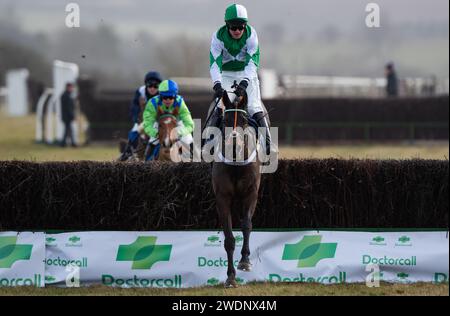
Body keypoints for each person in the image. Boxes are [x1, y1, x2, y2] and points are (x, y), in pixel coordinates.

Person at [207, 3, 273, 155]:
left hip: (247, 75)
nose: (237, 30)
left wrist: (244, 83)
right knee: (221, 107)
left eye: (241, 27)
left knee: (254, 107)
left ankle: (268, 145)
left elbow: (252, 62)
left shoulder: (251, 34)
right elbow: (215, 64)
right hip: (227, 76)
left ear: (245, 25)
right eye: (233, 27)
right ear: (227, 25)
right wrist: (217, 84)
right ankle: (208, 144)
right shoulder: (218, 37)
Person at [143, 79, 195, 160]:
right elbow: (147, 124)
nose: (168, 100)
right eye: (165, 97)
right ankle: (146, 162)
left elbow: (190, 124)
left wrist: (179, 132)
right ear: (160, 96)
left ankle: (196, 161)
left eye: (171, 97)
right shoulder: (152, 103)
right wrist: (156, 133)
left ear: (175, 96)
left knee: (188, 138)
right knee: (153, 140)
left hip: (177, 124)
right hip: (160, 124)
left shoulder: (180, 102)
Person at [120, 71, 163, 160]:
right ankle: (127, 155)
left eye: (155, 86)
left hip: (157, 121)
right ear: (146, 85)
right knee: (134, 133)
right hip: (143, 120)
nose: (152, 88)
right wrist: (136, 120)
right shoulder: (140, 92)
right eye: (150, 85)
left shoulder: (163, 95)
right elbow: (134, 108)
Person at [60, 82, 77, 147]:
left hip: (67, 117)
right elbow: (68, 108)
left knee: (68, 131)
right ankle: (70, 144)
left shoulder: (67, 95)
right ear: (68, 87)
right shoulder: (66, 96)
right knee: (68, 131)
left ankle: (65, 143)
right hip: (67, 117)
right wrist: (72, 115)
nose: (72, 89)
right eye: (71, 87)